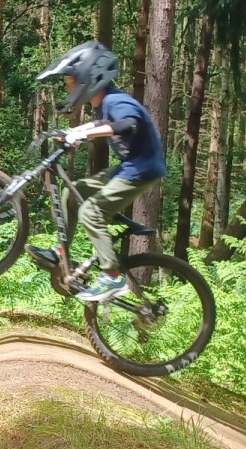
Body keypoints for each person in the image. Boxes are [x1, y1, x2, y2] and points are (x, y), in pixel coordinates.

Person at [33, 41, 165, 303]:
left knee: (91, 211)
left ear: (88, 79)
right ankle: (62, 252)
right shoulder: (103, 104)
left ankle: (113, 276)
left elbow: (128, 123)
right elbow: (100, 123)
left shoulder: (117, 100)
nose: (68, 87)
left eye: (70, 81)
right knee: (75, 191)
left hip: (140, 170)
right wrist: (73, 133)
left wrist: (84, 133)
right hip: (130, 167)